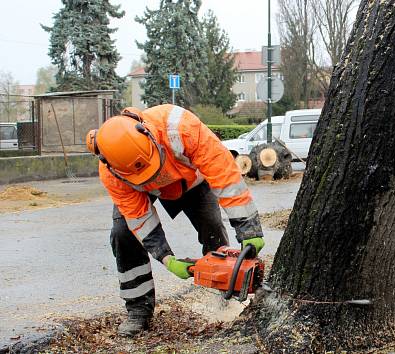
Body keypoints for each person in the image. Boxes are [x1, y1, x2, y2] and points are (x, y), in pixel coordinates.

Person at [85, 104, 264, 337]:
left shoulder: (180, 127)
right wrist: (167, 258)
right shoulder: (111, 171)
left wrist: (248, 227)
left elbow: (223, 173)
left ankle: (228, 293)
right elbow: (139, 218)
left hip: (192, 182)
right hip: (141, 191)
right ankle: (138, 309)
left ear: (146, 133)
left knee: (212, 227)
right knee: (122, 234)